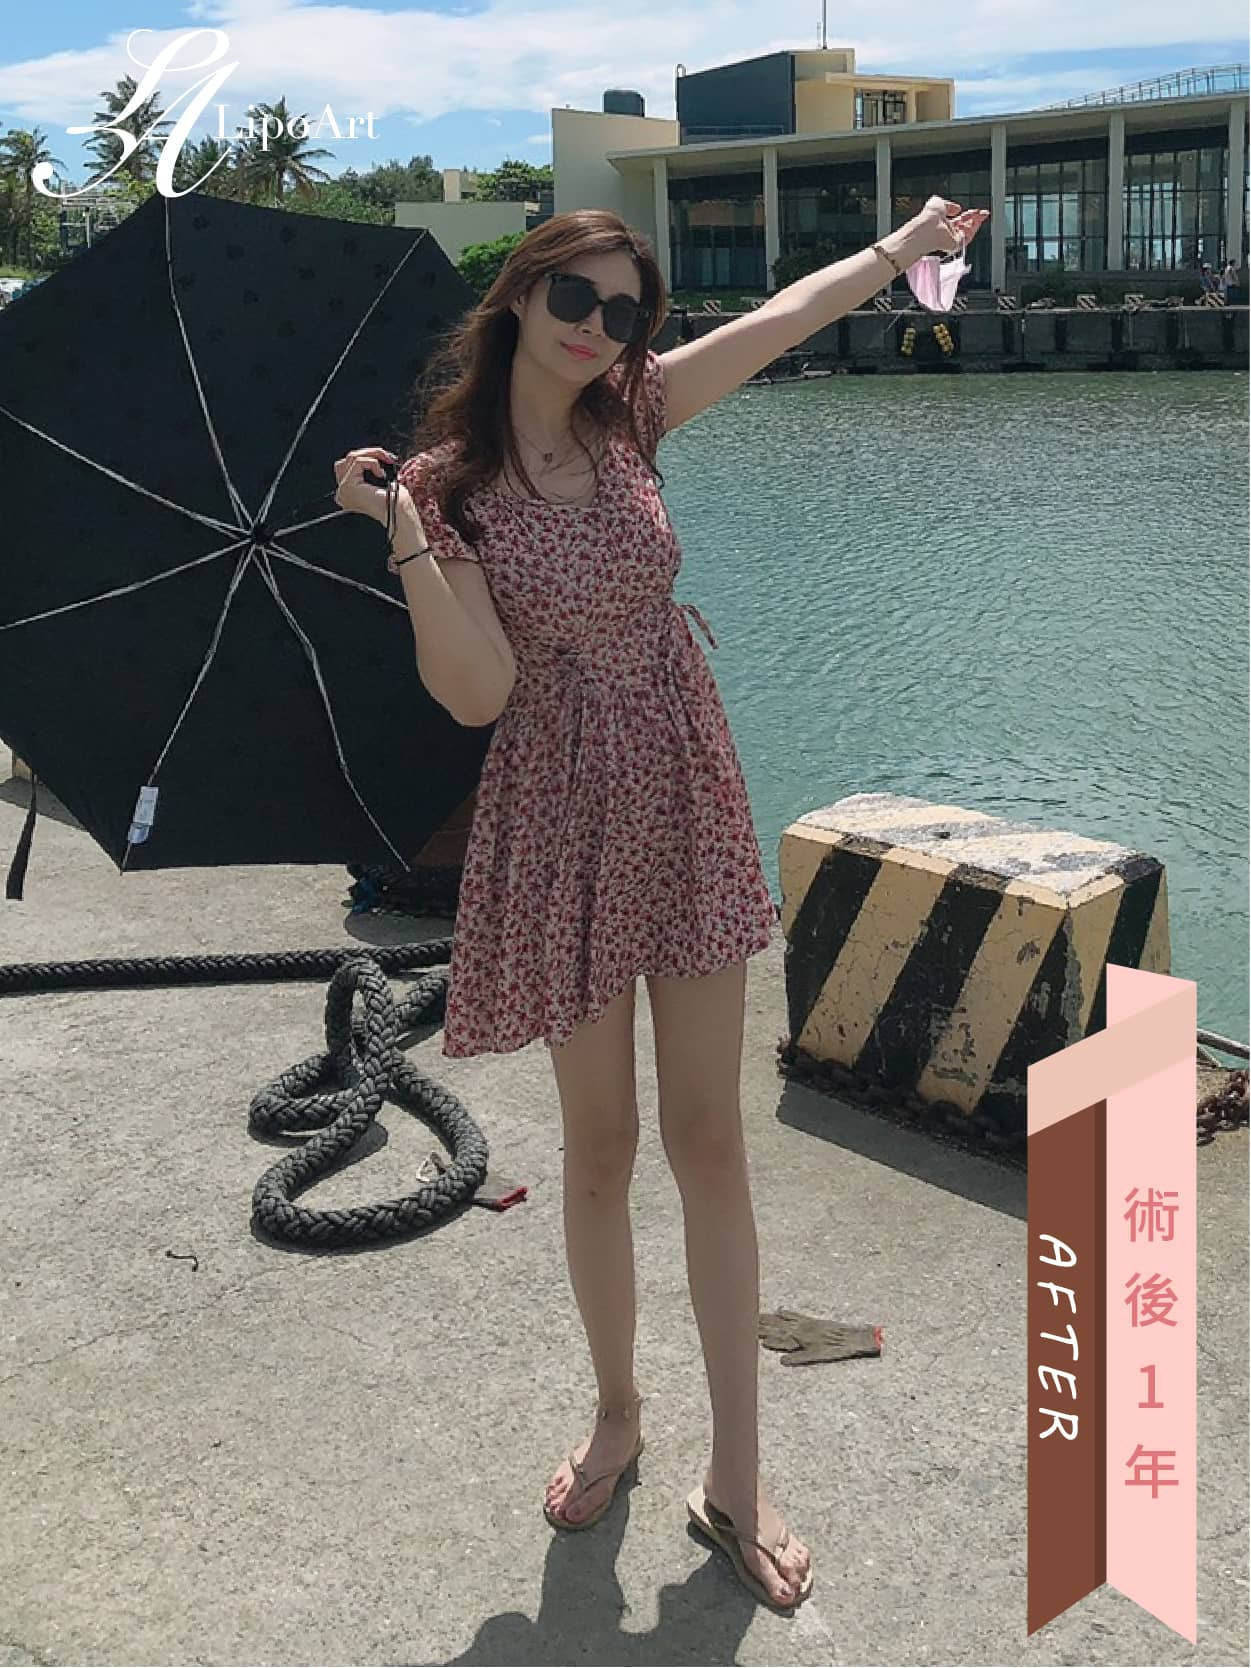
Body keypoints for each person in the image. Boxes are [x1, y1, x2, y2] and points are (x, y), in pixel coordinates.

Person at [332, 198, 985, 1612]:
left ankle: (738, 1472)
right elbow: (476, 694)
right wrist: (406, 531)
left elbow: (784, 320)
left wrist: (902, 248)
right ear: (521, 294)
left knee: (710, 1140)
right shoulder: (448, 486)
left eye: (626, 310)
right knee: (599, 1148)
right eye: (575, 296)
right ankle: (619, 1411)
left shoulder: (633, 415)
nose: (598, 328)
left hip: (682, 782)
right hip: (558, 810)